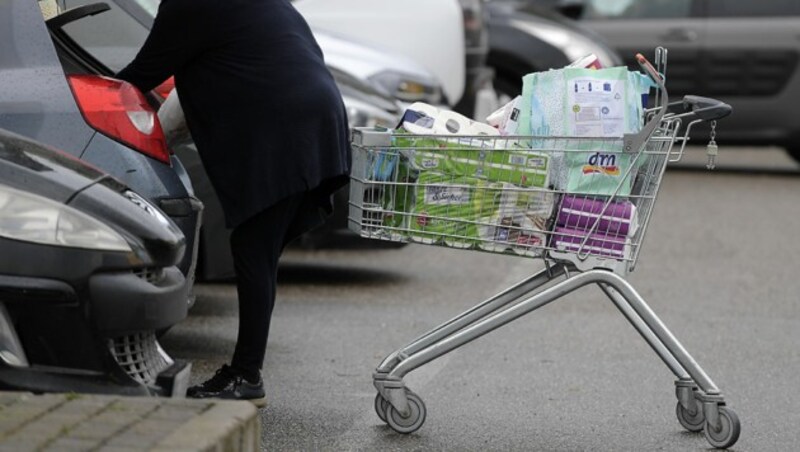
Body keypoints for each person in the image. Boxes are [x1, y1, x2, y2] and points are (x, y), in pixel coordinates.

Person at [116, 0, 351, 405]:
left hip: (285, 128)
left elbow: (140, 75)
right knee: (259, 253)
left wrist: (73, 92)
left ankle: (246, 376)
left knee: (253, 249)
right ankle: (245, 371)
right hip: (319, 118)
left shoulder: (189, 8)